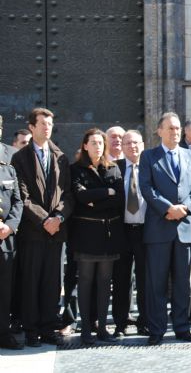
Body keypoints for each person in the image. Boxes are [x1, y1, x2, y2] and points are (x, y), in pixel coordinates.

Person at [138, 112, 191, 345]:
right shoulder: (149, 156)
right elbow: (146, 187)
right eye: (171, 128)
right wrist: (168, 208)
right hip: (159, 228)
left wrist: (184, 208)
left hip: (184, 229)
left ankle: (181, 327)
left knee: (182, 284)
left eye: (178, 129)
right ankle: (156, 330)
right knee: (156, 282)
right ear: (159, 131)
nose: (175, 132)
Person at [11, 107, 74, 347]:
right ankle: (31, 330)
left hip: (56, 232)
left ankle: (49, 328)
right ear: (31, 127)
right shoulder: (20, 158)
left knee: (51, 283)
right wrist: (44, 220)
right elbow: (23, 197)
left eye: (50, 124)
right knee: (31, 282)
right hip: (33, 233)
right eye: (43, 124)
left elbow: (67, 194)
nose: (47, 127)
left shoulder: (60, 156)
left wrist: (58, 217)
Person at [69, 128, 125, 344]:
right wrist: (106, 192)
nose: (97, 146)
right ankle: (85, 329)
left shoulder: (113, 169)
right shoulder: (76, 170)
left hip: (108, 235)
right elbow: (81, 197)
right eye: (93, 142)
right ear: (85, 145)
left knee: (104, 282)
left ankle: (102, 327)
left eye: (101, 142)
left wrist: (96, 200)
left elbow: (119, 199)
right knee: (85, 281)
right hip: (85, 235)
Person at [112, 130, 150, 338]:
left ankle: (144, 320)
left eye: (135, 143)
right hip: (122, 231)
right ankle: (121, 322)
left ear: (142, 145)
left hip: (145, 231)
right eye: (127, 143)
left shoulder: (150, 168)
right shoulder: (114, 169)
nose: (131, 147)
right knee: (121, 278)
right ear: (122, 147)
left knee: (145, 278)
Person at [0, 158, 24, 350]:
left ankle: (3, 333)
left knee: (5, 291)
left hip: (5, 240)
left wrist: (10, 225)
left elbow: (17, 201)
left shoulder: (8, 170)